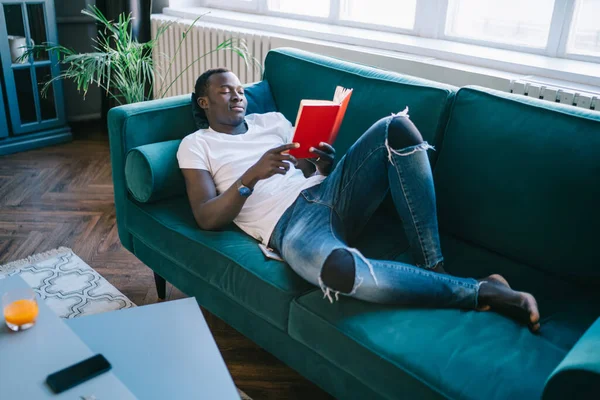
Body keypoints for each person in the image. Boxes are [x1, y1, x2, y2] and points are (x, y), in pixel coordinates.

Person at [177, 68, 541, 332]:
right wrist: (251, 175)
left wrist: (322, 162)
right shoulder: (197, 144)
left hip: (330, 189)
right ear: (204, 101)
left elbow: (304, 167)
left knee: (394, 126)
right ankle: (480, 290)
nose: (237, 95)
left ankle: (433, 267)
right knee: (338, 273)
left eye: (240, 89)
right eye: (226, 91)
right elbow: (207, 217)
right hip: (290, 225)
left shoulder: (271, 120)